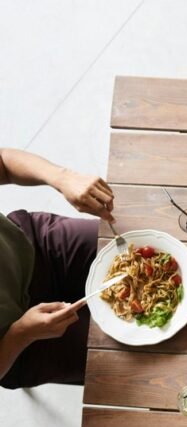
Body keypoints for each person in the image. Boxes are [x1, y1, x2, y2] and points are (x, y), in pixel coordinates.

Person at [0, 147, 113, 389]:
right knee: (131, 357)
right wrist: (22, 333)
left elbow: (3, 163)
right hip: (18, 342)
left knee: (139, 251)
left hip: (34, 245)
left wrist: (61, 177)